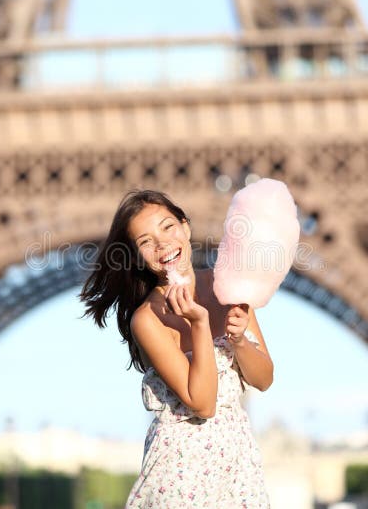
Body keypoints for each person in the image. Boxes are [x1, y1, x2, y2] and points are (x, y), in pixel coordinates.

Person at [80, 189, 273, 508]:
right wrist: (200, 323)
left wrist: (238, 342)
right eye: (145, 241)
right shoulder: (147, 319)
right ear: (137, 256)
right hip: (183, 474)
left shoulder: (229, 286)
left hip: (238, 467)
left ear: (185, 226)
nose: (162, 243)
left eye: (168, 227)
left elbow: (264, 379)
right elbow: (203, 403)